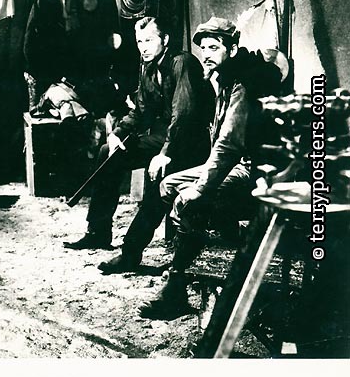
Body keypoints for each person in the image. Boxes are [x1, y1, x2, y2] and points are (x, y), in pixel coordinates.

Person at [138, 16, 287, 320]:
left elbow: (229, 146)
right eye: (203, 48)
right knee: (168, 184)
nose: (206, 54)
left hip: (257, 172)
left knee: (190, 201)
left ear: (232, 49)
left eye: (214, 47)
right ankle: (206, 250)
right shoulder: (224, 78)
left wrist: (200, 187)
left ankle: (176, 288)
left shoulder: (243, 84)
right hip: (236, 165)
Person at [64, 17, 211, 250]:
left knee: (156, 175)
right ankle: (97, 232)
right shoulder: (148, 66)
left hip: (190, 143)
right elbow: (141, 111)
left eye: (149, 40)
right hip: (164, 138)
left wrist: (165, 153)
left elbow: (184, 116)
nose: (143, 47)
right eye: (139, 41)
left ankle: (131, 248)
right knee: (108, 153)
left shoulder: (182, 63)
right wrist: (118, 133)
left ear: (165, 39)